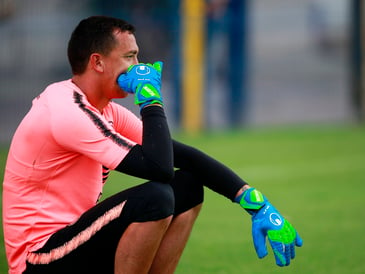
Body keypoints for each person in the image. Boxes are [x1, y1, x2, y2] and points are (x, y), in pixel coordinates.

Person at [2, 16, 302, 274]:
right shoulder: (66, 111)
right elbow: (158, 169)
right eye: (130, 57)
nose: (139, 66)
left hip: (75, 241)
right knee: (155, 197)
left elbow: (181, 157)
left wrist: (258, 205)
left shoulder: (106, 110)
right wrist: (150, 98)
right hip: (38, 260)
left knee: (187, 185)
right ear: (98, 62)